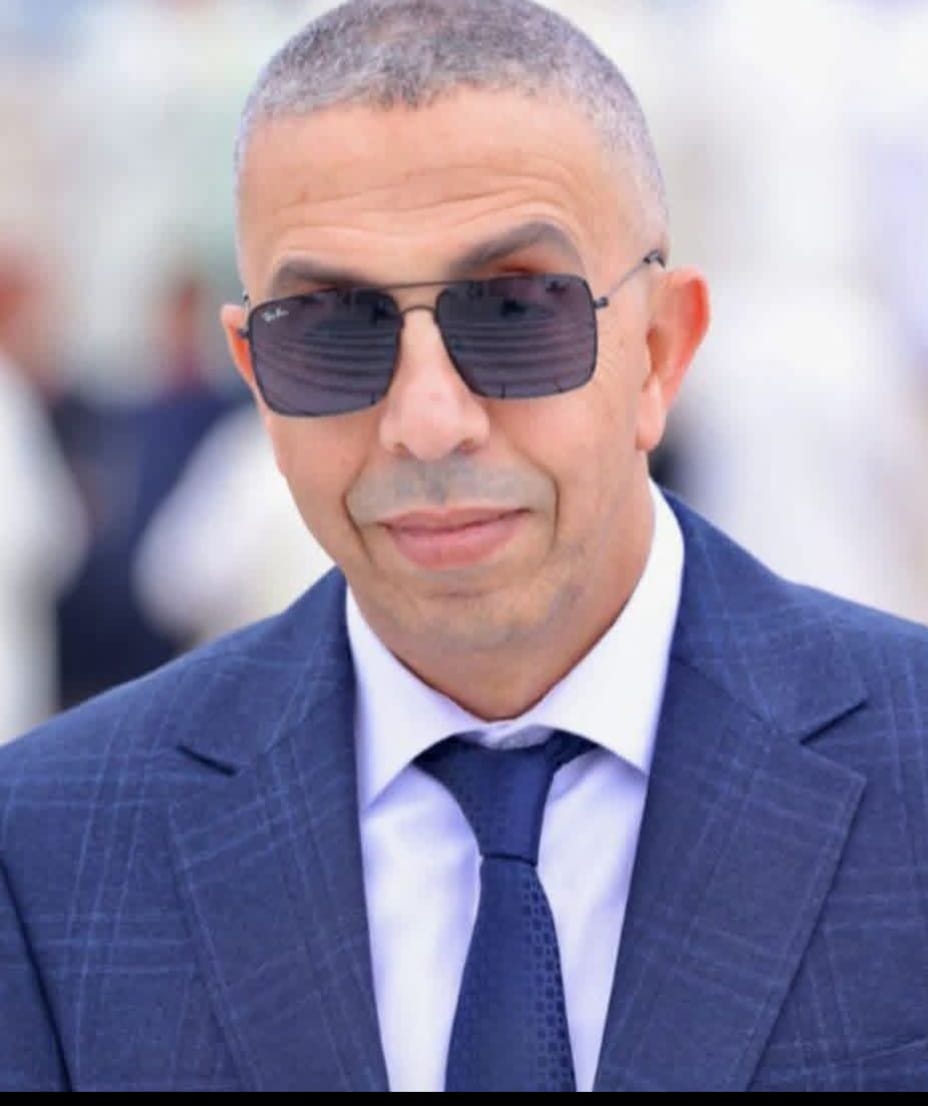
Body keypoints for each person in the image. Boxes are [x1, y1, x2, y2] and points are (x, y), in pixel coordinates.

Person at [1, 0, 927, 1092]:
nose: (428, 419)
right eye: (332, 332)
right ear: (255, 380)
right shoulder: (51, 847)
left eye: (517, 311)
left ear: (660, 349)